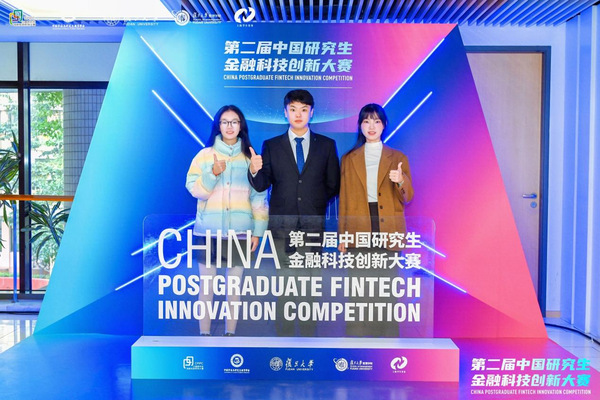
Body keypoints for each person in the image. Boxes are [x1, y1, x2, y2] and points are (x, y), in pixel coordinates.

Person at [248, 89, 340, 336]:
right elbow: (262, 185)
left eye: (303, 109)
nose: (298, 114)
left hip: (313, 227)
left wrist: (313, 204)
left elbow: (333, 184)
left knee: (310, 285)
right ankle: (284, 338)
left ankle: (309, 337)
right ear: (285, 112)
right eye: (293, 109)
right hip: (282, 229)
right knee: (285, 286)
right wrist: (254, 170)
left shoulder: (327, 146)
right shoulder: (272, 146)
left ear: (312, 113)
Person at [186, 105, 268, 336]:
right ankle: (204, 335)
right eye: (224, 122)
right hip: (207, 232)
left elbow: (259, 197)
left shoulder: (250, 158)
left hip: (239, 233)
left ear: (241, 126)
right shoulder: (204, 156)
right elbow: (195, 190)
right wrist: (212, 173)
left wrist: (258, 231)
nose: (229, 126)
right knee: (206, 287)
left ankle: (230, 333)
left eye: (234, 122)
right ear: (218, 126)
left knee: (234, 287)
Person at [338, 103, 414, 337]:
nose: (371, 126)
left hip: (388, 230)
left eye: (377, 121)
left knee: (386, 291)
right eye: (366, 121)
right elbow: (344, 199)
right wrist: (342, 236)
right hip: (358, 228)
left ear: (384, 125)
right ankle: (356, 343)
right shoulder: (349, 158)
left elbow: (408, 197)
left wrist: (400, 180)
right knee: (359, 291)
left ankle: (388, 344)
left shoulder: (398, 157)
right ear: (360, 126)